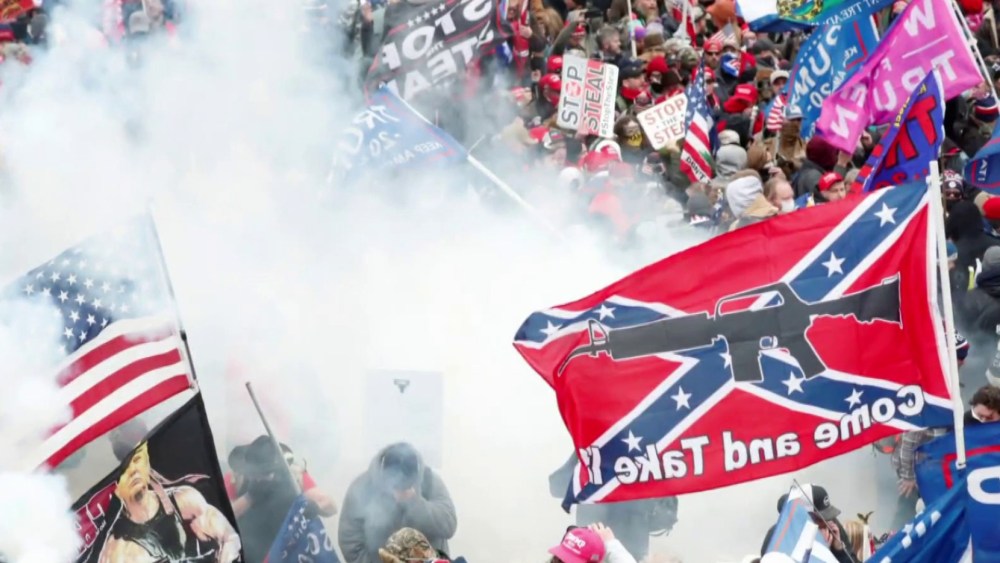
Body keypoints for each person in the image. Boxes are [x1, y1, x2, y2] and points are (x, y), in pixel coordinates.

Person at [98, 442, 241, 563]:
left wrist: (226, 554)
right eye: (124, 469)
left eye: (137, 460)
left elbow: (230, 538)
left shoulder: (184, 500)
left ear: (146, 461)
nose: (133, 470)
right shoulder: (119, 551)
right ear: (114, 486)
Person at [339, 442, 457, 563]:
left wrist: (415, 503)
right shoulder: (362, 487)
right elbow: (351, 544)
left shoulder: (429, 480)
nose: (400, 488)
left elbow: (448, 526)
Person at [230, 436, 336, 563]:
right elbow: (225, 517)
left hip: (285, 552)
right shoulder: (238, 478)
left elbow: (331, 507)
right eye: (255, 473)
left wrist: (315, 507)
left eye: (264, 473)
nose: (258, 478)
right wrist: (250, 496)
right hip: (249, 551)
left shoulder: (294, 477)